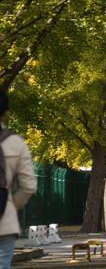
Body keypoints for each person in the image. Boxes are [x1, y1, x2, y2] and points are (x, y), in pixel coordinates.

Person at [0, 90, 37, 269]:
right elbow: (29, 186)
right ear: (5, 113)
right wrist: (11, 205)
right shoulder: (15, 142)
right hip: (3, 222)